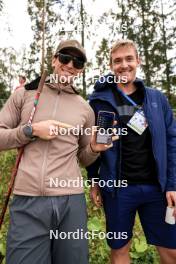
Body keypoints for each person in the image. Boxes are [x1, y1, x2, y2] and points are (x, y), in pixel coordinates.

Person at [0, 39, 118, 264]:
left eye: (78, 61)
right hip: (28, 200)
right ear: (54, 60)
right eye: (65, 57)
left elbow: (83, 158)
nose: (70, 64)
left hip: (71, 203)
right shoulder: (25, 94)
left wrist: (94, 148)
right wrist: (30, 130)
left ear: (82, 69)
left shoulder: (84, 107)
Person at [87, 39, 176, 264]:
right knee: (119, 250)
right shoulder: (98, 101)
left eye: (129, 59)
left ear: (138, 61)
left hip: (157, 188)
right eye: (117, 61)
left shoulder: (157, 99)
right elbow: (93, 144)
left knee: (171, 251)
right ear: (111, 66)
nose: (123, 65)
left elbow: (172, 141)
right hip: (118, 190)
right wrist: (94, 179)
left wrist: (173, 184)